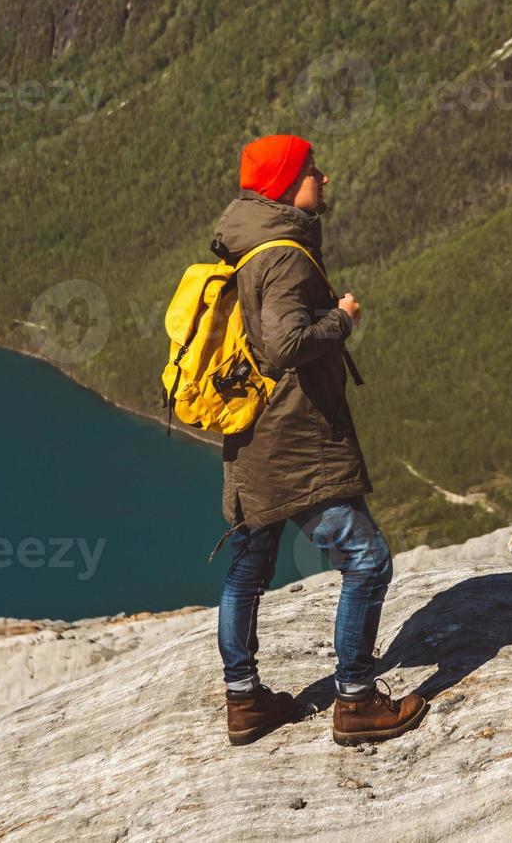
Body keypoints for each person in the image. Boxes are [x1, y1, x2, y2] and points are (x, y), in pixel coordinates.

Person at [209, 134, 428, 747]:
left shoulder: (245, 243)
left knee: (250, 565)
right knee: (367, 559)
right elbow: (284, 345)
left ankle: (244, 699)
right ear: (284, 183)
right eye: (311, 171)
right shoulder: (282, 256)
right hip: (296, 442)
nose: (323, 178)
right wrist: (343, 320)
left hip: (252, 435)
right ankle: (356, 700)